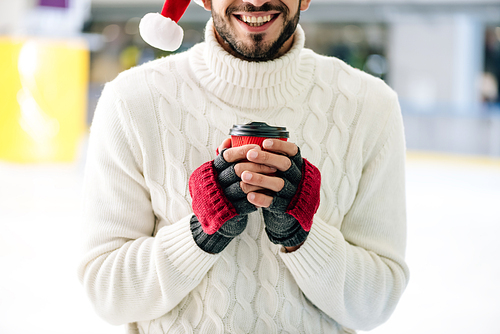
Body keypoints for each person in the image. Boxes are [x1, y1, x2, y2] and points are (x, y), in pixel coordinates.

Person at [77, 0, 410, 332]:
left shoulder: (371, 107)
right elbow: (108, 295)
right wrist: (200, 234)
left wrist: (302, 237)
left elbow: (376, 303)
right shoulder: (132, 101)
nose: (255, 1)